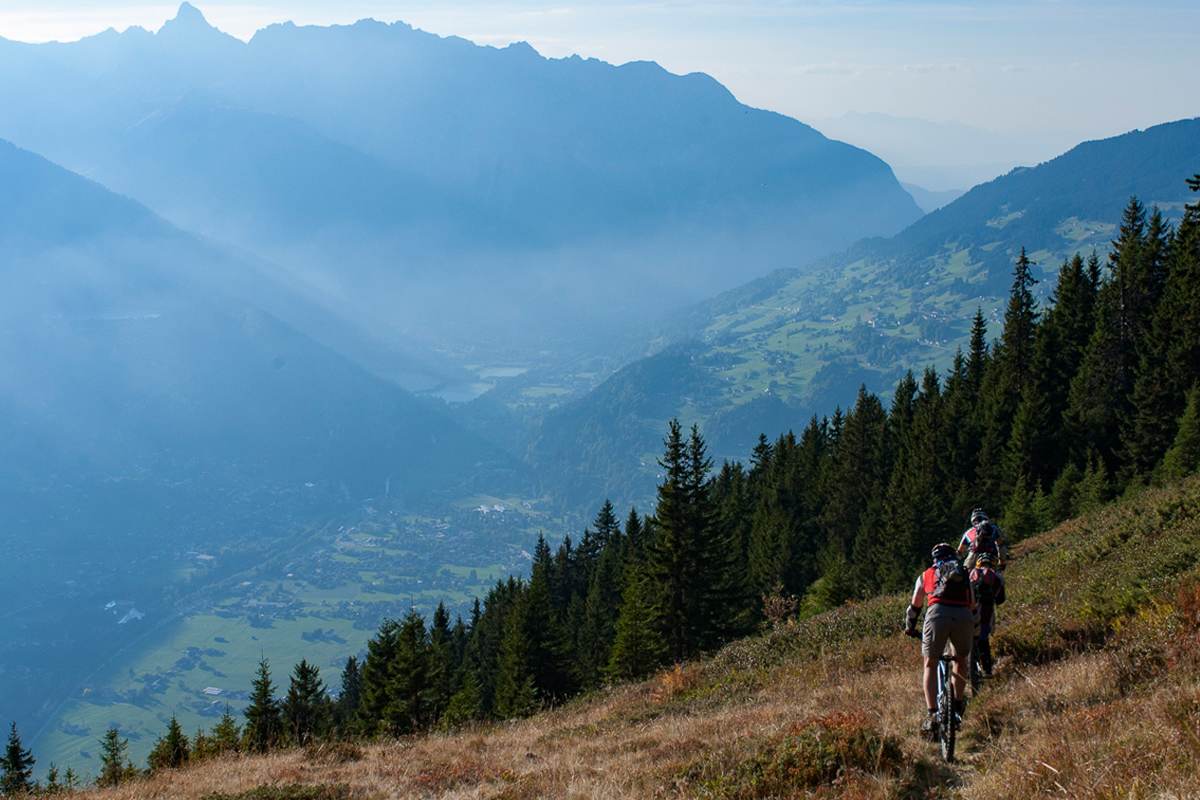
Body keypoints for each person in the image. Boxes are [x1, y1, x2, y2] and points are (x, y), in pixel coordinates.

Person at [905, 542, 978, 738]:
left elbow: (915, 606)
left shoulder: (927, 575)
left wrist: (910, 627)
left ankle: (932, 714)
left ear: (934, 558)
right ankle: (956, 705)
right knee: (961, 660)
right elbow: (972, 603)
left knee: (930, 663)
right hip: (963, 616)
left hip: (937, 615)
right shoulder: (963, 573)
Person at [970, 551, 1006, 676]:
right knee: (983, 639)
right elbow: (1000, 600)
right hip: (987, 611)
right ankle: (987, 670)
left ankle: (969, 667)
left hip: (970, 610)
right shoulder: (997, 577)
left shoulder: (971, 573)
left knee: (968, 637)